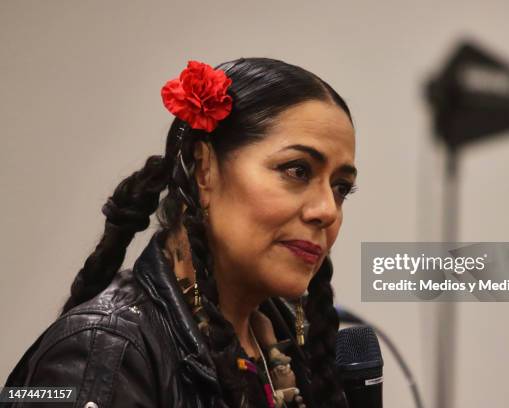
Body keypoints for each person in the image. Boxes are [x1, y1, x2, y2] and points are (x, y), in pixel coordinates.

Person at [5, 58, 358, 408]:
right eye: (297, 170)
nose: (327, 210)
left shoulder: (279, 341)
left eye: (341, 187)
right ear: (204, 170)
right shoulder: (102, 349)